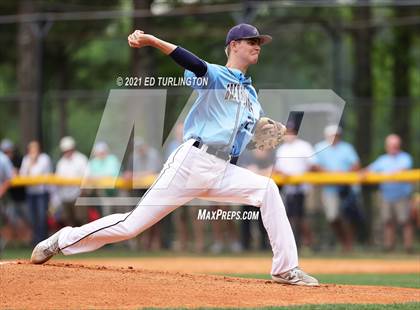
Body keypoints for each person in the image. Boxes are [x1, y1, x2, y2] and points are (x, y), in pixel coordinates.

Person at [31, 24, 318, 286]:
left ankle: (284, 269)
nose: (257, 45)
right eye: (251, 41)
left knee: (267, 189)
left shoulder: (252, 95)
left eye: (259, 42)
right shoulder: (218, 75)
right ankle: (62, 240)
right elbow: (192, 63)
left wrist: (267, 130)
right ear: (233, 45)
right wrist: (153, 41)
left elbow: (253, 133)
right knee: (130, 226)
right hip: (192, 163)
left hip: (222, 169)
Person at [312, 125, 361, 252]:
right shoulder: (319, 147)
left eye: (336, 135)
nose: (334, 138)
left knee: (350, 217)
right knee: (332, 217)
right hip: (330, 189)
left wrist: (344, 175)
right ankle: (343, 241)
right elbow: (315, 166)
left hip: (347, 188)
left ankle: (349, 244)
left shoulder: (347, 148)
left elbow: (356, 164)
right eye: (332, 135)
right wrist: (331, 174)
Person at [365, 134, 414, 252]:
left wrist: (387, 174)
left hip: (402, 195)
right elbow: (369, 170)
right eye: (391, 145)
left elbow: (403, 169)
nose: (393, 148)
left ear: (399, 146)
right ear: (387, 146)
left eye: (396, 145)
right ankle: (389, 247)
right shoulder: (382, 160)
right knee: (387, 221)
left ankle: (408, 247)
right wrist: (362, 173)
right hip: (386, 195)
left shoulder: (405, 157)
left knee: (405, 221)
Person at [274, 125, 314, 250]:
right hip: (288, 188)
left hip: (302, 187)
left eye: (291, 132)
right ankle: (293, 244)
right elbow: (277, 168)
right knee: (290, 216)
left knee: (301, 216)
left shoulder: (304, 146)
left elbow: (312, 165)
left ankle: (307, 242)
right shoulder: (282, 149)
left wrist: (300, 177)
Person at [20, 141, 52, 245]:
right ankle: (36, 241)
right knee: (32, 218)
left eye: (35, 149)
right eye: (31, 149)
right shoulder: (26, 159)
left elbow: (39, 173)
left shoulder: (44, 158)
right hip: (31, 193)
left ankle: (43, 241)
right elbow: (23, 175)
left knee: (42, 217)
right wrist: (31, 162)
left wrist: (34, 162)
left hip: (42, 192)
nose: (33, 151)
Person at [55, 136, 88, 227]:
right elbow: (58, 179)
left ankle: (86, 241)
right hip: (65, 196)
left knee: (82, 220)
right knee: (69, 222)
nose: (67, 152)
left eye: (68, 149)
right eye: (65, 150)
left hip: (79, 194)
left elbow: (87, 176)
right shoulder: (61, 163)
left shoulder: (81, 159)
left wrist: (83, 191)